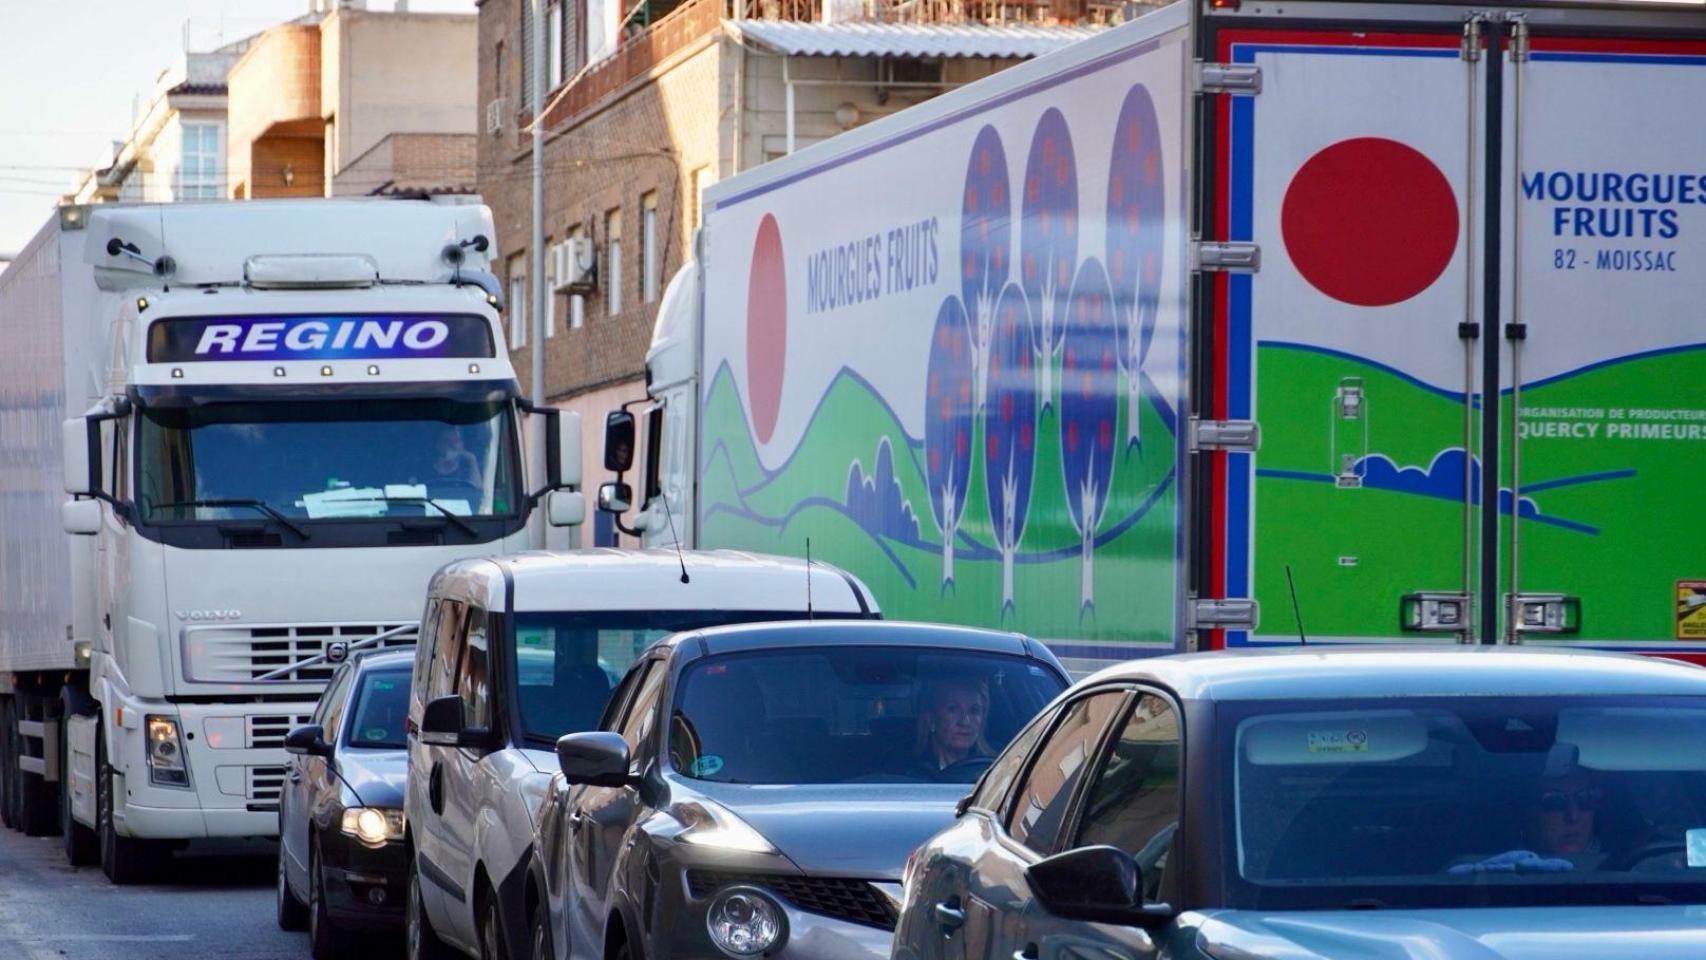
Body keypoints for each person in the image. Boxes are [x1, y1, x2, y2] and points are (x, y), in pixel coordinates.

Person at [909, 676, 995, 778]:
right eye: (953, 709)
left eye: (974, 711)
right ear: (931, 718)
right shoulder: (909, 774)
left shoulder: (1000, 768)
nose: (965, 722)